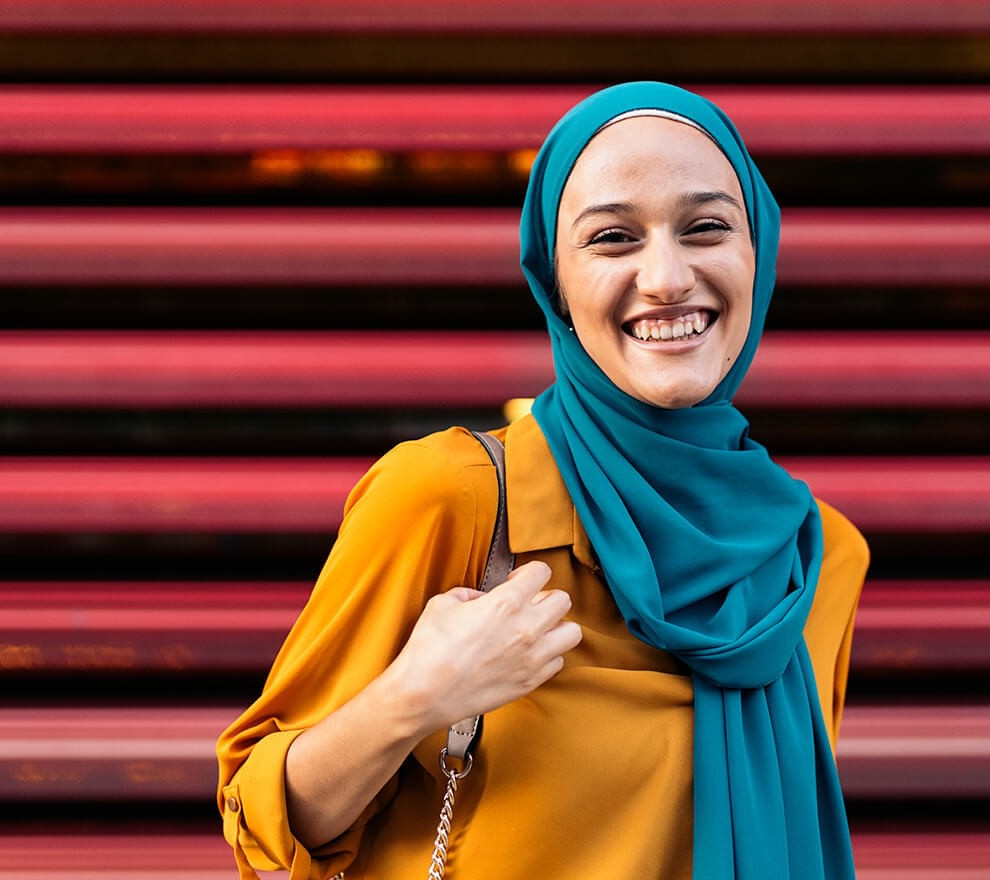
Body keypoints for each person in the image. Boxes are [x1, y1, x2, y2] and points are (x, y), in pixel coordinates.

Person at [216, 81, 868, 880]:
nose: (666, 276)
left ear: (757, 251)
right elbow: (261, 814)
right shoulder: (453, 495)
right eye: (613, 239)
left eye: (705, 228)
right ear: (552, 280)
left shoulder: (815, 556)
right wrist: (413, 700)